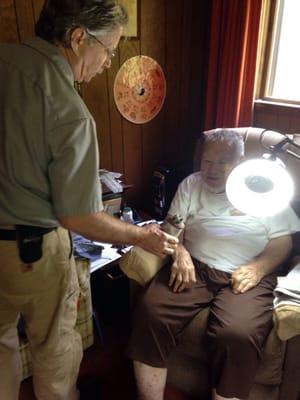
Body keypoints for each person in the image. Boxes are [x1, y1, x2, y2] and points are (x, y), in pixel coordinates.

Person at [0, 1, 178, 400]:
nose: (108, 62)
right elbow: (79, 216)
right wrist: (141, 236)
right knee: (55, 349)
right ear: (79, 38)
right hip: (31, 254)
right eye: (109, 49)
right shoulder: (71, 111)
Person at [127, 129, 300, 400]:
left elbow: (282, 242)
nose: (213, 170)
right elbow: (172, 228)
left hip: (247, 273)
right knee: (152, 313)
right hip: (195, 266)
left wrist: (258, 268)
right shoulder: (191, 184)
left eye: (223, 162)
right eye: (207, 161)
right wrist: (180, 253)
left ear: (241, 160)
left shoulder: (263, 187)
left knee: (237, 334)